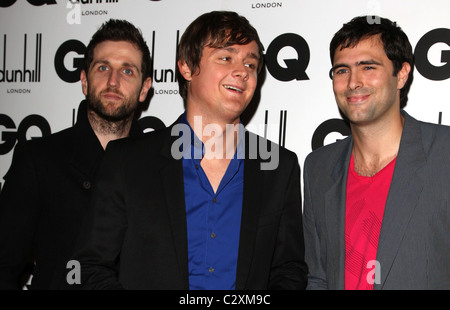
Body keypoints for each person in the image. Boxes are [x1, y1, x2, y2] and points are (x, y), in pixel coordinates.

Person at [74, 11, 307, 290]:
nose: (242, 71)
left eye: (251, 64)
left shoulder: (279, 167)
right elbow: (90, 267)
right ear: (186, 67)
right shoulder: (127, 162)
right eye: (226, 57)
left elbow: (288, 270)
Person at [0, 19, 152, 289]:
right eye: (103, 67)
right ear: (84, 80)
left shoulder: (159, 167)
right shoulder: (39, 160)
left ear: (144, 89)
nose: (113, 81)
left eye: (127, 71)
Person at [302, 15, 450, 290]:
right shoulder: (318, 166)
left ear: (401, 74)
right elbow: (317, 276)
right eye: (342, 70)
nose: (353, 82)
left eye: (368, 67)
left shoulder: (444, 154)